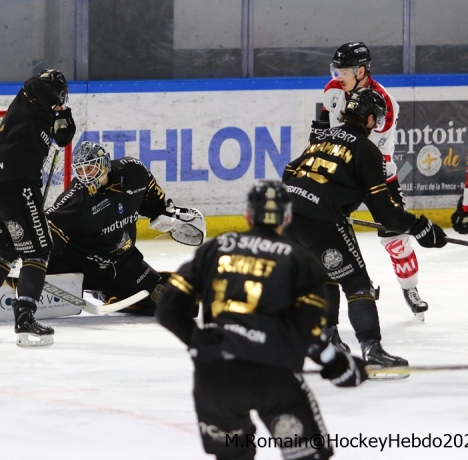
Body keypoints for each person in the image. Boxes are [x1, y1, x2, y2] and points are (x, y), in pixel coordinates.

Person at [156, 180, 368, 460]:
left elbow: (168, 310)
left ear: (248, 215)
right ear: (287, 217)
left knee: (233, 456)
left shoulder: (216, 249)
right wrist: (336, 364)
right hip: (273, 377)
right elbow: (308, 330)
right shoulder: (300, 260)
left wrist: (202, 343)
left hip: (216, 376)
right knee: (307, 455)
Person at [284, 87, 447, 367]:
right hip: (320, 221)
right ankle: (372, 350)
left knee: (326, 272)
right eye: (376, 119)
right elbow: (386, 215)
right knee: (357, 283)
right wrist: (421, 227)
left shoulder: (323, 138)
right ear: (370, 119)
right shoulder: (367, 150)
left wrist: (314, 201)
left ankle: (327, 337)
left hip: (286, 217)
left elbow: (290, 171)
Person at [0, 69, 76, 347]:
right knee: (38, 251)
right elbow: (34, 83)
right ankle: (25, 319)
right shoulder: (32, 94)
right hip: (15, 182)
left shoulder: (34, 114)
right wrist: (59, 108)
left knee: (5, 251)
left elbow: (62, 138)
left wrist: (61, 120)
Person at [315, 42, 428, 320]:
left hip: (376, 172)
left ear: (361, 71)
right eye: (336, 70)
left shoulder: (383, 103)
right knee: (327, 231)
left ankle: (410, 288)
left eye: (343, 71)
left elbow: (365, 152)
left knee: (396, 238)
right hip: (341, 171)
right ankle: (360, 279)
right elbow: (324, 121)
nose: (337, 76)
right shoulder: (333, 89)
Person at [45, 141, 205, 316]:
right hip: (83, 267)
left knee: (184, 307)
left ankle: (109, 293)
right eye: (80, 170)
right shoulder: (76, 199)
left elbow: (155, 206)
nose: (85, 175)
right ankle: (107, 290)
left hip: (124, 264)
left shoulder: (133, 173)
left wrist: (170, 217)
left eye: (89, 168)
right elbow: (50, 236)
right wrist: (33, 265)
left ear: (104, 164)